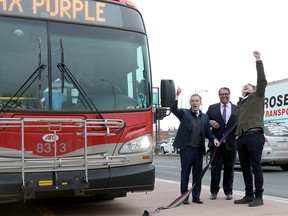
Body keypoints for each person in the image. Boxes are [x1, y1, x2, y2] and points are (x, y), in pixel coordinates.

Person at [171, 87, 219, 204]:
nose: (194, 103)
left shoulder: (205, 117)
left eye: (197, 101)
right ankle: (184, 197)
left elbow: (208, 132)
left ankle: (196, 196)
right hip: (186, 149)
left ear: (200, 103)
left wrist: (214, 139)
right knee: (185, 173)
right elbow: (173, 109)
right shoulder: (184, 113)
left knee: (197, 175)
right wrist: (176, 95)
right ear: (190, 103)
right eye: (192, 101)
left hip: (198, 150)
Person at [234, 51, 267, 207]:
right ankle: (248, 194)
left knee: (255, 167)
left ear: (254, 89)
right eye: (244, 86)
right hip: (242, 138)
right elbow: (238, 122)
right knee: (245, 168)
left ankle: (259, 196)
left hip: (255, 135)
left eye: (249, 85)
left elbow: (262, 80)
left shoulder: (258, 96)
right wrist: (236, 136)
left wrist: (258, 61)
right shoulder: (241, 103)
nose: (245, 86)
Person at [206, 87, 237, 201]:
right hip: (216, 144)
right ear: (218, 95)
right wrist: (210, 122)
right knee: (215, 169)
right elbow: (205, 120)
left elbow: (241, 123)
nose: (224, 96)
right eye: (222, 94)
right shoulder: (212, 108)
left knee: (230, 169)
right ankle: (214, 191)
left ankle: (228, 191)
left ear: (230, 94)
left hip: (231, 144)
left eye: (226, 94)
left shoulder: (237, 108)